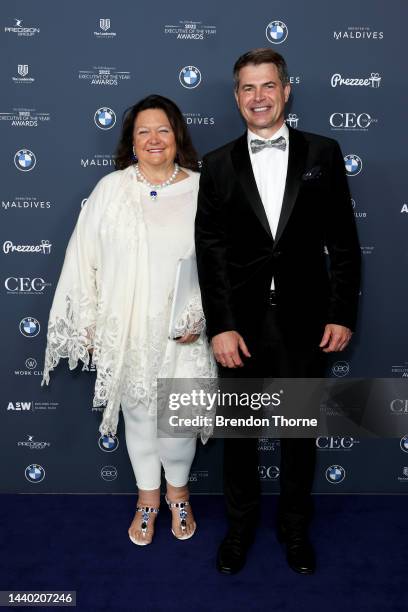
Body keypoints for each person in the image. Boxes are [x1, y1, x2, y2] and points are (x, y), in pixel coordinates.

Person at [195, 49, 361, 574]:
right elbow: (211, 250)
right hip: (239, 325)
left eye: (268, 86)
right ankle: (239, 531)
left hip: (305, 321)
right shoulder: (217, 164)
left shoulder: (323, 154)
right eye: (248, 88)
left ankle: (294, 530)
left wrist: (341, 312)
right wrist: (220, 324)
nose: (259, 97)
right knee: (241, 436)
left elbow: (345, 242)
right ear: (237, 97)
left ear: (286, 91)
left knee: (298, 432)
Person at [42, 94, 216, 546]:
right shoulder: (111, 189)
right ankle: (147, 501)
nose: (154, 139)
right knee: (138, 417)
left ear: (178, 135)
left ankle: (179, 495)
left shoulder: (204, 187)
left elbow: (225, 262)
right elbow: (84, 259)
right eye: (143, 131)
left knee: (178, 420)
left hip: (187, 329)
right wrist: (90, 328)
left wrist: (204, 316)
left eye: (163, 130)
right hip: (130, 329)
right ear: (131, 142)